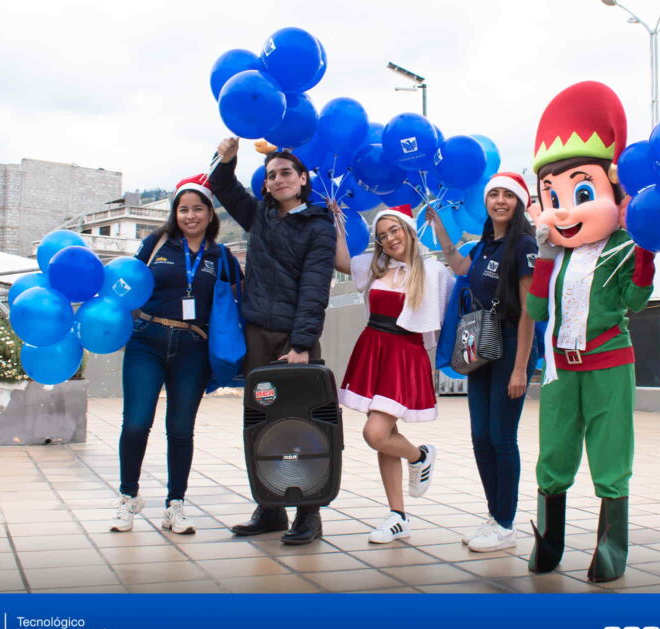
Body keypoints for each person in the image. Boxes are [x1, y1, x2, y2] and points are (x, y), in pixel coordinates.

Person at [525, 81, 655, 581]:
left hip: (608, 362)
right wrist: (543, 255)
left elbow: (635, 302)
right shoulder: (555, 255)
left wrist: (646, 252)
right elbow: (537, 309)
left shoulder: (623, 246)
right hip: (561, 367)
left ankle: (610, 547)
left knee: (610, 451)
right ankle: (548, 540)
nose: (564, 209)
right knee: (554, 451)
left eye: (582, 193)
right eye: (552, 195)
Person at [208, 137, 337, 545]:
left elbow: (315, 289)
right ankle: (270, 507)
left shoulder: (319, 226)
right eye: (271, 175)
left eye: (286, 173)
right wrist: (227, 159)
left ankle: (309, 514)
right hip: (257, 337)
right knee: (262, 424)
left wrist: (301, 345)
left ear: (303, 179)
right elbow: (221, 185)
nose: (278, 180)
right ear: (265, 184)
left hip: (295, 342)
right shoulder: (259, 216)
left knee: (303, 425)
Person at [111, 174, 241, 535]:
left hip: (192, 349)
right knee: (136, 423)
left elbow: (239, 299)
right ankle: (128, 496)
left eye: (198, 209)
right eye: (183, 209)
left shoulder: (221, 256)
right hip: (147, 341)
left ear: (210, 214)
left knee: (181, 429)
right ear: (175, 213)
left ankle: (175, 504)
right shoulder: (156, 244)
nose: (190, 216)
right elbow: (127, 284)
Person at [430, 172, 540, 552]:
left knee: (501, 437)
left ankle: (506, 524)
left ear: (519, 203)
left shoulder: (524, 245)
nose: (500, 201)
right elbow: (459, 266)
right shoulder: (482, 247)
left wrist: (521, 368)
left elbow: (529, 312)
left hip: (510, 345)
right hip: (480, 347)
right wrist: (440, 228)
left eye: (508, 195)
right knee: (480, 437)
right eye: (494, 194)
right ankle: (494, 516)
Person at [333, 205, 454, 544]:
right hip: (373, 348)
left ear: (409, 230)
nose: (389, 239)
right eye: (382, 235)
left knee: (375, 433)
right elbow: (342, 262)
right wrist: (337, 222)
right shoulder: (375, 266)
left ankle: (420, 456)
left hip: (404, 355)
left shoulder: (432, 271)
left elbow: (449, 312)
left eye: (394, 230)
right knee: (386, 435)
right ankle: (398, 516)